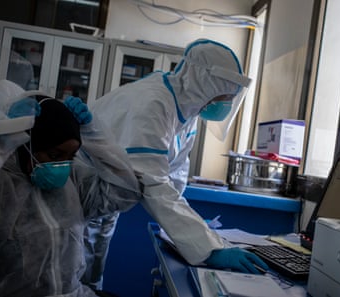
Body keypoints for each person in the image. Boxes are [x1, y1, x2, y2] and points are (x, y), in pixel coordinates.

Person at [84, 39, 269, 289]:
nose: (226, 103)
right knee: (67, 278)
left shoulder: (187, 110)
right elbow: (153, 183)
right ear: (205, 84)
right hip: (77, 196)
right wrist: (209, 248)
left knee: (91, 278)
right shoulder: (153, 105)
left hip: (103, 201)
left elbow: (175, 176)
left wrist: (192, 229)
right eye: (224, 95)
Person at [0, 80, 142, 297]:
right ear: (27, 146)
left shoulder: (73, 181)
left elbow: (126, 192)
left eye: (71, 156)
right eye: (54, 155)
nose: (62, 166)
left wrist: (93, 134)